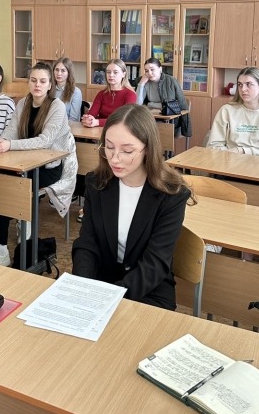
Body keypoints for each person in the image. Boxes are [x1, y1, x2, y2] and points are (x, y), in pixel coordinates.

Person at [72, 104, 192, 310]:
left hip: (148, 288)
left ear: (148, 149)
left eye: (127, 151)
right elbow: (87, 244)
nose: (115, 158)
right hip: (102, 281)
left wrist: (110, 300)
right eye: (109, 147)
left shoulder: (172, 195)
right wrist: (82, 286)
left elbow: (155, 263)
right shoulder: (96, 183)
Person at [0, 61, 77, 272]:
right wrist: (2, 141)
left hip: (48, 167)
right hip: (24, 162)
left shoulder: (56, 106)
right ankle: (0, 248)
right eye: (33, 80)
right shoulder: (23, 103)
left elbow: (45, 141)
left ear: (50, 85)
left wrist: (10, 145)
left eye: (42, 81)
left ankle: (15, 230)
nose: (37, 85)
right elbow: (11, 130)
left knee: (9, 186)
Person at [207, 67, 259, 159]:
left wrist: (242, 151)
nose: (243, 89)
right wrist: (230, 157)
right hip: (230, 162)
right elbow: (213, 146)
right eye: (240, 84)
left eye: (248, 84)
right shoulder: (226, 111)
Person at [136, 57, 191, 137]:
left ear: (160, 69)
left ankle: (156, 145)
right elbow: (137, 104)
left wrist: (150, 104)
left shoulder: (171, 81)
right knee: (136, 124)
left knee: (153, 126)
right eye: (146, 71)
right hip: (150, 117)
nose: (149, 73)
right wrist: (141, 84)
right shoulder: (143, 81)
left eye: (152, 69)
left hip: (171, 119)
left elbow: (178, 105)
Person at [81, 59, 136, 128]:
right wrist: (88, 118)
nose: (111, 75)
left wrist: (98, 122)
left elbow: (124, 119)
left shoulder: (130, 94)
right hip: (101, 129)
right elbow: (92, 113)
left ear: (123, 74)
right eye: (108, 72)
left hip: (119, 130)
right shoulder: (102, 94)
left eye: (115, 72)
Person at [52, 57, 82, 122]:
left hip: (67, 126)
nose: (59, 73)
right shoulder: (49, 88)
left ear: (69, 73)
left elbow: (73, 119)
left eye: (63, 71)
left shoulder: (76, 92)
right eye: (57, 70)